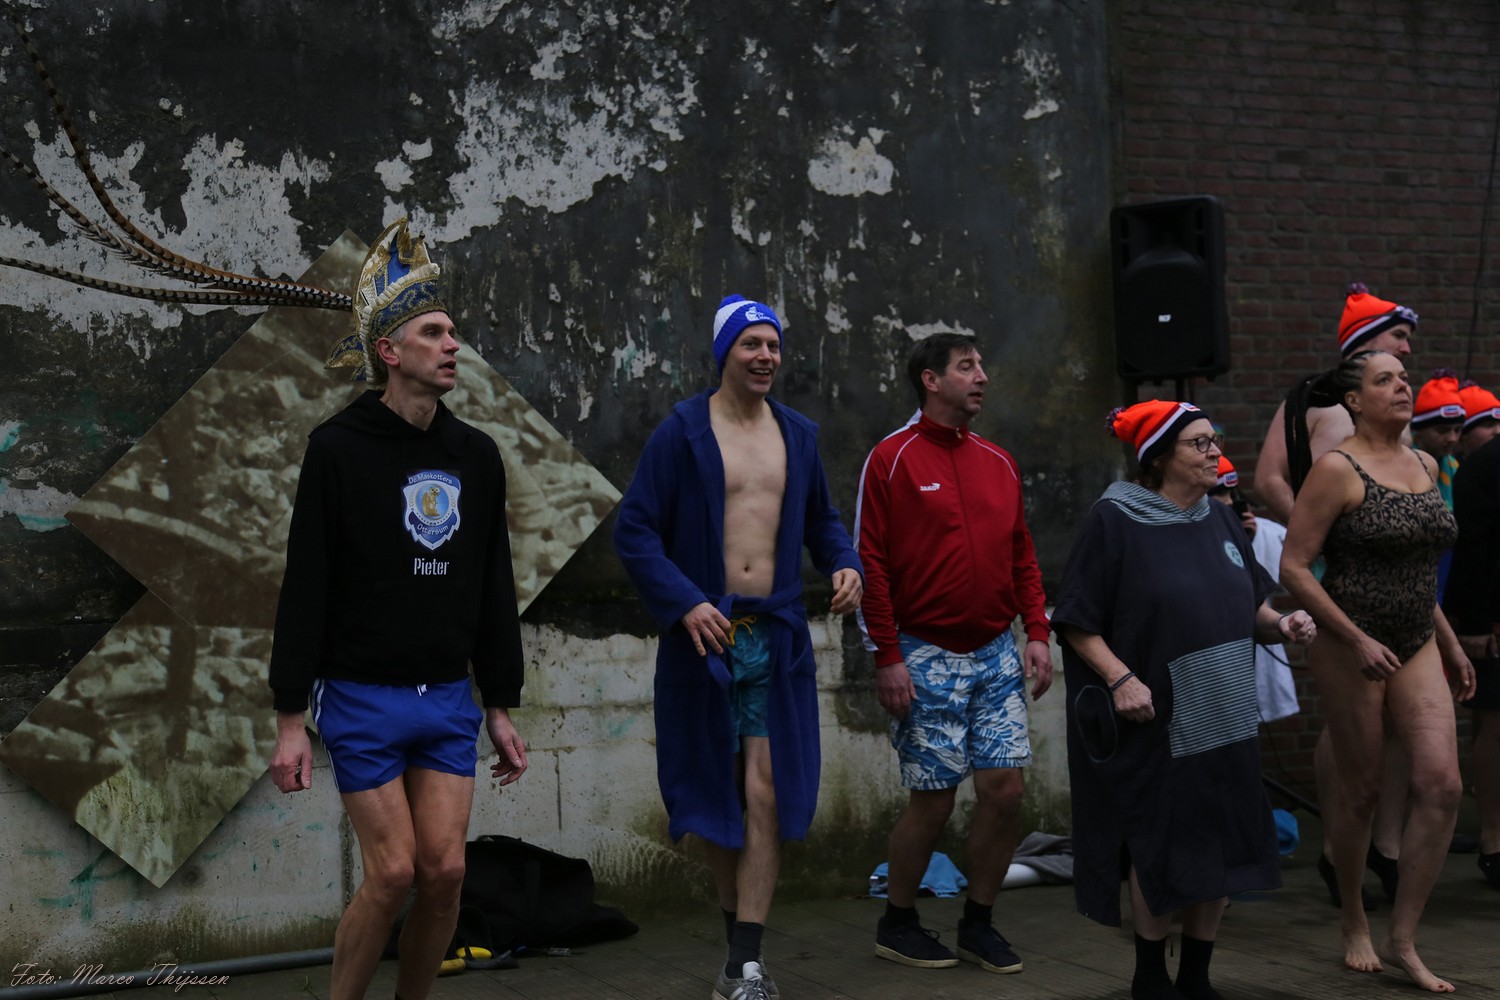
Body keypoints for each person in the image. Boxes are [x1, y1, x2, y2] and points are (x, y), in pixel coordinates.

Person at [267, 218, 529, 1000]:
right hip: (359, 695)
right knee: (391, 873)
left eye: (452, 332)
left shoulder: (475, 455)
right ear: (390, 350)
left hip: (445, 697)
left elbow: (492, 584)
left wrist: (500, 705)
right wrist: (289, 719)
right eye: (433, 333)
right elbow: (306, 584)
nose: (453, 345)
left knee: (444, 872)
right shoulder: (337, 448)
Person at [613, 294, 863, 1000]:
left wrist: (845, 563)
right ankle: (735, 959)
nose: (765, 356)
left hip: (775, 638)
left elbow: (823, 521)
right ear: (724, 352)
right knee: (717, 796)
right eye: (752, 343)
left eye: (773, 345)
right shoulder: (682, 433)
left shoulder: (798, 435)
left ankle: (748, 961)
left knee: (766, 790)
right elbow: (634, 530)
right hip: (709, 639)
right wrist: (685, 601)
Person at [1053, 400, 1315, 1000]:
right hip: (1161, 718)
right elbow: (1075, 620)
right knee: (1164, 844)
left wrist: (1283, 624)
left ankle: (1196, 977)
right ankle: (1151, 977)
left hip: (1226, 713)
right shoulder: (1115, 520)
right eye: (1199, 443)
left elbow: (1250, 606)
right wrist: (1120, 679)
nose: (1214, 452)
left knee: (1222, 842)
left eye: (1213, 439)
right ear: (1159, 456)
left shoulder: (1218, 518)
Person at [855, 332, 1052, 977]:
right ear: (930, 380)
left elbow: (1022, 554)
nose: (982, 376)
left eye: (981, 364)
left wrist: (1037, 632)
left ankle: (978, 923)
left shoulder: (999, 461)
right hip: (922, 652)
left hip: (996, 651)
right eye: (967, 366)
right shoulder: (891, 459)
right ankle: (898, 922)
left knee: (1005, 791)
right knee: (934, 799)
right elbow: (871, 563)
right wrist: (886, 655)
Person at [1280, 350, 1475, 994]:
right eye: (1384, 379)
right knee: (1361, 791)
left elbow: (1418, 570)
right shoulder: (1337, 468)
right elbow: (1295, 567)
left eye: (1404, 377)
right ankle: (1354, 920)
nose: (1401, 386)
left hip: (1416, 638)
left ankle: (1404, 937)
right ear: (1354, 401)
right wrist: (1355, 638)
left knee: (1442, 785)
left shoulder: (1425, 464)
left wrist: (1449, 642)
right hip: (1350, 642)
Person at [1253, 282, 1419, 911]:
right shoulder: (1311, 398)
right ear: (1364, 342)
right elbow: (1269, 476)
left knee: (1397, 714)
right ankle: (1338, 847)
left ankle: (1387, 847)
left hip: (1393, 577)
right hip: (1338, 574)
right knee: (1353, 714)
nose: (1407, 350)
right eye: (1398, 337)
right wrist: (1316, 532)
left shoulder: (1393, 406)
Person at [1443, 431, 1500, 889]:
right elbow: (1473, 547)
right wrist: (1478, 622)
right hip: (1495, 621)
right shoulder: (1485, 465)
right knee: (1496, 723)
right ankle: (1493, 839)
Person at [1209, 457, 1300, 724]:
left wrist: (1249, 539)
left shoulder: (1263, 531)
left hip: (1256, 643)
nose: (1228, 503)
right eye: (1218, 495)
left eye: (1231, 495)